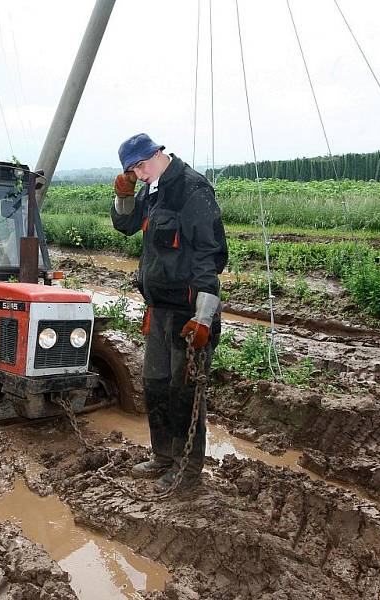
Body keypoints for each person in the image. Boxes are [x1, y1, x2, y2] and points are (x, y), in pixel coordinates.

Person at [111, 133, 227, 492]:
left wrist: (203, 318)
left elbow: (211, 256)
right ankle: (163, 456)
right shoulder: (152, 189)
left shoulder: (192, 190)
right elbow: (125, 226)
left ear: (158, 153)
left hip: (187, 315)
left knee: (185, 392)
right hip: (158, 311)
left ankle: (187, 470)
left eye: (141, 166)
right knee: (156, 386)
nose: (139, 174)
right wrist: (123, 194)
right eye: (132, 170)